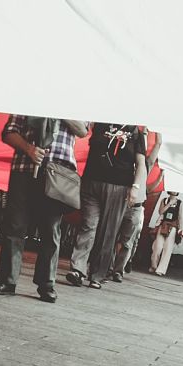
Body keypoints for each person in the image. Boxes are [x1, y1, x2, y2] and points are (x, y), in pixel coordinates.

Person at [0, 115, 88, 303]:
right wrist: (29, 149)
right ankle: (6, 281)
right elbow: (9, 132)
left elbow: (82, 130)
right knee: (14, 226)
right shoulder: (31, 96)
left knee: (51, 230)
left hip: (57, 171)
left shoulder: (76, 100)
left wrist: (59, 108)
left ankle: (46, 285)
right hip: (24, 167)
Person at [66, 122, 147, 288]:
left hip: (119, 187)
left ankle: (97, 274)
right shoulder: (100, 124)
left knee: (108, 231)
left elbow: (141, 164)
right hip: (92, 182)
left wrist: (135, 187)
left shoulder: (136, 133)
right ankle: (77, 269)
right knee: (89, 225)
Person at [149, 191, 183, 276]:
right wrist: (169, 204)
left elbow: (180, 216)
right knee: (158, 246)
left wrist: (180, 229)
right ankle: (154, 265)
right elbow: (161, 212)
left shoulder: (180, 202)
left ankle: (161, 270)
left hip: (173, 227)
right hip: (163, 225)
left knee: (167, 248)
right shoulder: (164, 200)